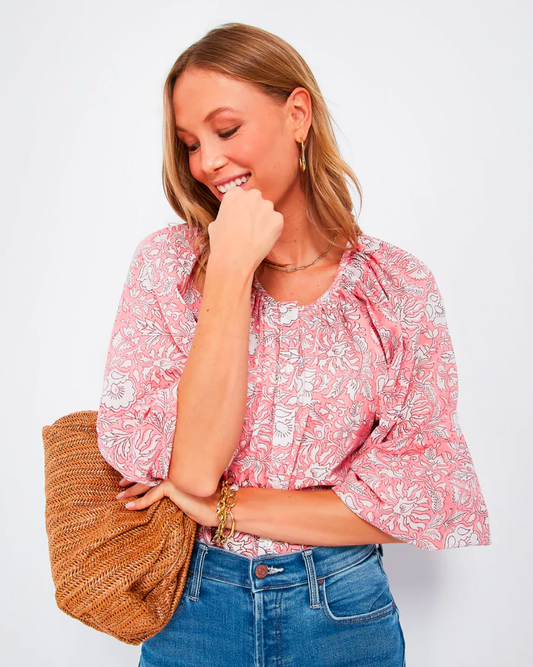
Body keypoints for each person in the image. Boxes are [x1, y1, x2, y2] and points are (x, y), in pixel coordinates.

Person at [95, 22, 491, 667]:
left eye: (226, 130)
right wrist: (228, 271)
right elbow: (190, 468)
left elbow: (411, 502)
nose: (208, 162)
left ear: (297, 114)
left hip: (344, 612)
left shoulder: (396, 286)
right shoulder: (167, 267)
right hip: (194, 609)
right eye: (190, 143)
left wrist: (223, 506)